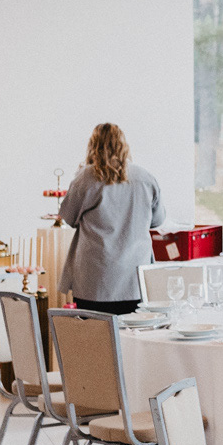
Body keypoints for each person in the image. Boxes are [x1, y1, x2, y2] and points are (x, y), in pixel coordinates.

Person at [58, 124, 163, 315]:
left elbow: (68, 217)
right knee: (134, 331)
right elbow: (157, 220)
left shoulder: (85, 177)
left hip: (94, 279)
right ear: (124, 145)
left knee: (94, 332)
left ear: (93, 146)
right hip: (134, 279)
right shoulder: (145, 177)